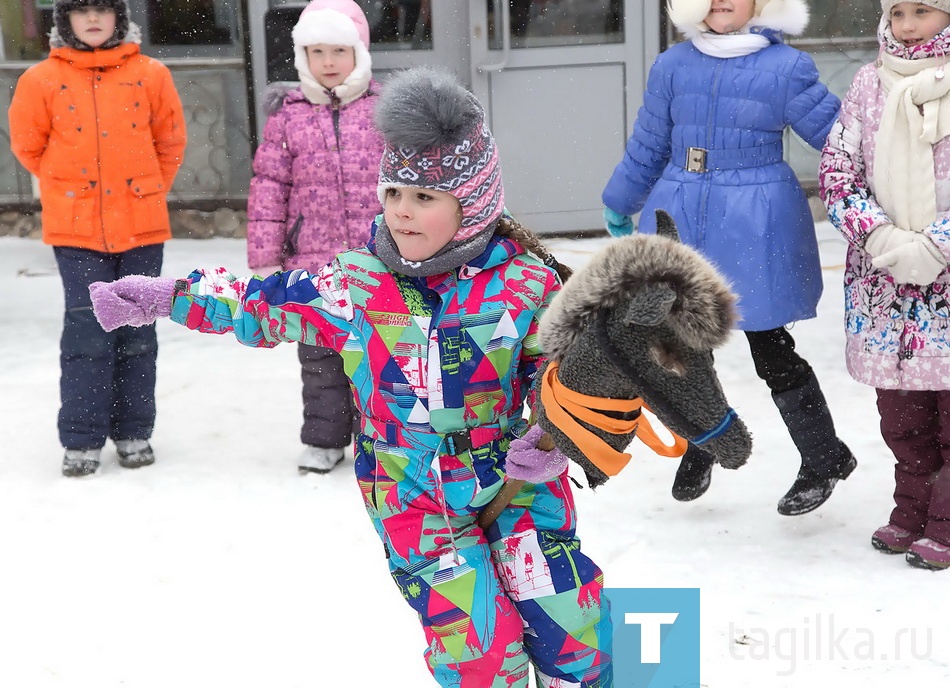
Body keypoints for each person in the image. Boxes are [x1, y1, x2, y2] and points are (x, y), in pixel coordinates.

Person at [87, 67, 611, 686]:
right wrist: (168, 295)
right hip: (414, 497)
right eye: (393, 193)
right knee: (480, 654)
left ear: (471, 206)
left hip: (515, 486)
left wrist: (553, 440)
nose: (401, 212)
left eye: (424, 198)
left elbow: (566, 377)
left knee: (573, 633)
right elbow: (261, 302)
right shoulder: (354, 285)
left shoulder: (528, 282)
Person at [601, 0, 854, 516]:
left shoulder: (786, 68)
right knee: (680, 346)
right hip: (681, 213)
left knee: (770, 345)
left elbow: (840, 142)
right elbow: (650, 141)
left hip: (755, 218)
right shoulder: (673, 65)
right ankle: (705, 442)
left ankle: (824, 455)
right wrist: (621, 199)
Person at [8, 0, 186, 477]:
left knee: (136, 329)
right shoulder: (40, 80)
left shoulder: (151, 74)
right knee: (87, 330)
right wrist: (68, 188)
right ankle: (82, 437)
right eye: (80, 11)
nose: (92, 20)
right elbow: (28, 144)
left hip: (141, 224)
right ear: (63, 21)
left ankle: (133, 430)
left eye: (102, 10)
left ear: (118, 19)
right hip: (76, 228)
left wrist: (144, 189)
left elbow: (170, 141)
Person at [819, 0, 950, 570]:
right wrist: (882, 242)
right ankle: (912, 509)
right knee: (902, 416)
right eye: (897, 13)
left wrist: (934, 247)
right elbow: (836, 171)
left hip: (944, 285)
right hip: (885, 285)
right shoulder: (869, 85)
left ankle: (945, 523)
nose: (908, 25)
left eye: (924, 11)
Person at [246, 0, 385, 475]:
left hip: (379, 261)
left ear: (359, 52)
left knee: (380, 357)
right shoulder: (289, 116)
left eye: (339, 51)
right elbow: (269, 187)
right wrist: (265, 259)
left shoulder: (385, 111)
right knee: (321, 358)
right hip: (313, 263)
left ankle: (380, 437)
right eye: (317, 52)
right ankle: (325, 438)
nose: (328, 63)